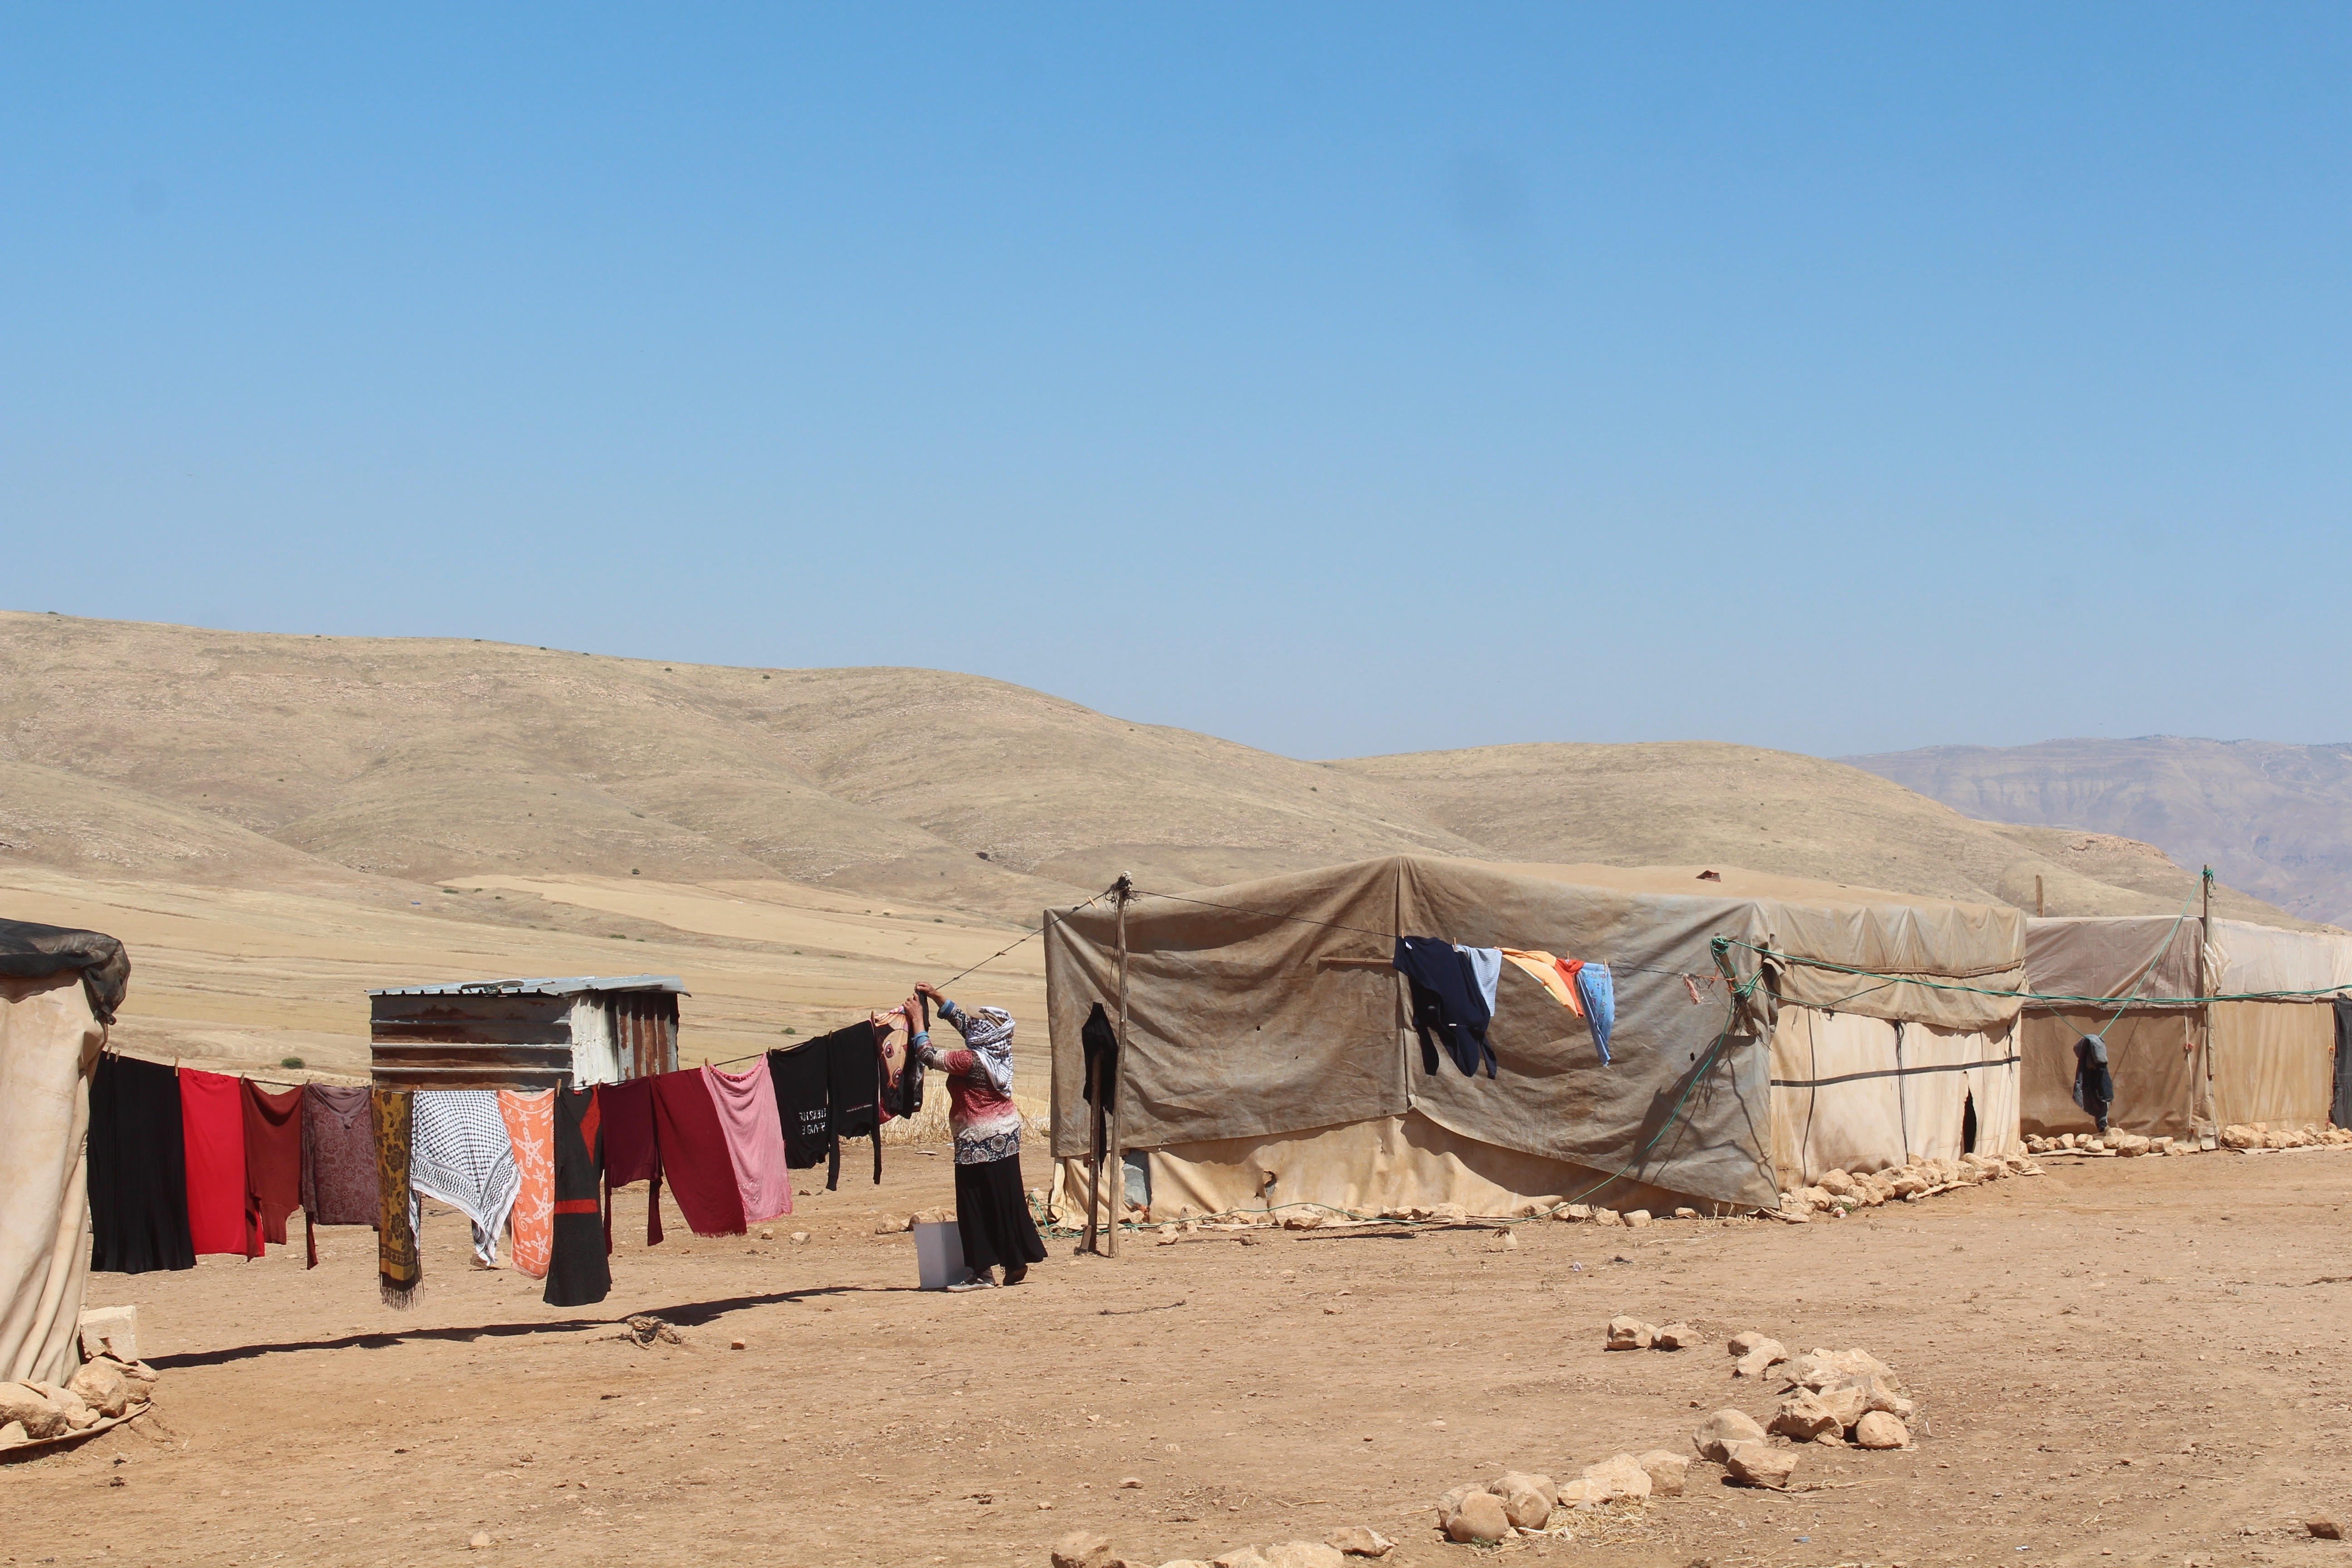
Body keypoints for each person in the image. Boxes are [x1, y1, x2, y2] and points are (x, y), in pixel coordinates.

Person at [910, 982, 1047, 1290]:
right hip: (1006, 1136)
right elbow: (966, 1023)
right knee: (1005, 1200)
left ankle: (982, 1272)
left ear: (984, 1035)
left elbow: (927, 1055)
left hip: (977, 1141)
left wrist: (918, 1019)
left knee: (973, 1204)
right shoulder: (998, 1052)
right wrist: (938, 997)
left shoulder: (970, 1061)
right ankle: (1014, 1261)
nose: (970, 1025)